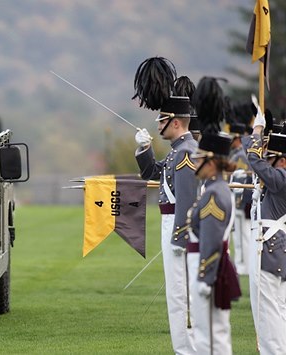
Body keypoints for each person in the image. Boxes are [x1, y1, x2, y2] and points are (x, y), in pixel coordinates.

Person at [133, 57, 198, 355]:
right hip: (171, 226)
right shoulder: (177, 152)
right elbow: (152, 174)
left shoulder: (185, 153)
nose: (158, 125)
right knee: (178, 295)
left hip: (178, 229)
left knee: (181, 296)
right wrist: (144, 149)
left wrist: (179, 239)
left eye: (161, 121)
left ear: (175, 122)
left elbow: (186, 200)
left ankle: (188, 350)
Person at [187, 131, 241, 355]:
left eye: (200, 159)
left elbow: (210, 239)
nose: (196, 163)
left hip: (209, 269)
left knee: (208, 337)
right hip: (211, 266)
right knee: (212, 333)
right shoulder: (216, 189)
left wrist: (205, 277)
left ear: (211, 162)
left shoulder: (213, 194)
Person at [242, 108, 286, 355]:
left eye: (273, 158)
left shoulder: (281, 177)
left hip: (268, 250)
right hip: (276, 249)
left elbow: (254, 160)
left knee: (269, 317)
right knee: (277, 311)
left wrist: (257, 132)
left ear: (282, 160)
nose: (268, 162)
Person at [228, 122, 251, 275]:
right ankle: (241, 263)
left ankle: (244, 266)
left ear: (237, 138)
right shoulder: (237, 154)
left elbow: (243, 179)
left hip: (241, 200)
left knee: (243, 237)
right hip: (237, 200)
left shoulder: (241, 155)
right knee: (239, 236)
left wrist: (241, 202)